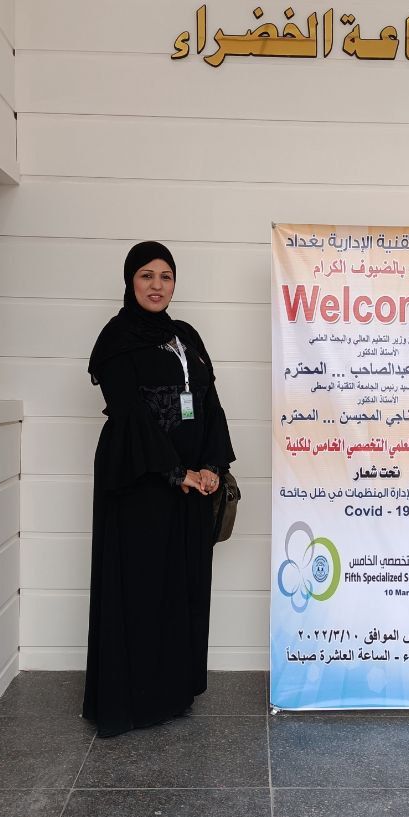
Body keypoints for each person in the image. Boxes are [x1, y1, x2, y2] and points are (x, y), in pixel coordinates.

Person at [83, 241, 235, 736]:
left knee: (181, 586)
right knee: (142, 587)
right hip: (140, 484)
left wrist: (211, 464)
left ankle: (172, 692)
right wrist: (176, 472)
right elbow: (130, 417)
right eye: (146, 275)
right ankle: (134, 702)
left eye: (165, 276)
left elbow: (209, 401)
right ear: (130, 281)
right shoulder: (116, 340)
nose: (156, 285)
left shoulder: (185, 335)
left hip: (191, 487)